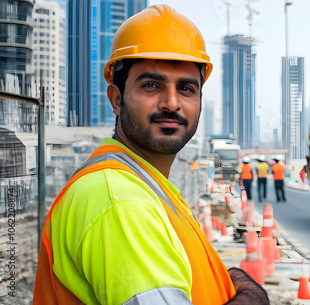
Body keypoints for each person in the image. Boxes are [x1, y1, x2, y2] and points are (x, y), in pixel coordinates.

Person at [33, 5, 269, 305]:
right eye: (151, 85)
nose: (172, 103)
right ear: (117, 99)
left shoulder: (147, 186)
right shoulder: (119, 201)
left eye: (186, 88)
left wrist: (230, 278)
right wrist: (252, 296)